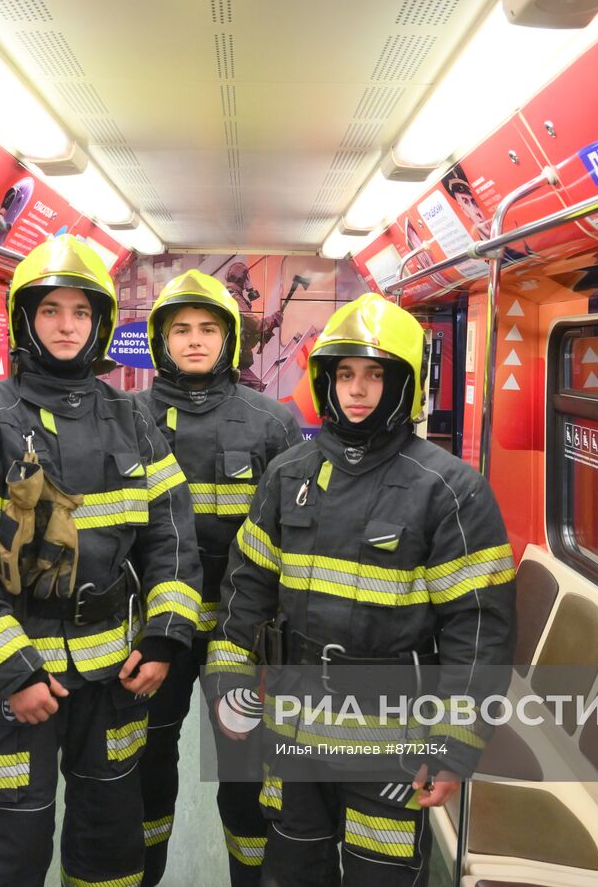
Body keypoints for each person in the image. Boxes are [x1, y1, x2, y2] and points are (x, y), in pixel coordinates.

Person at [206, 292, 516, 885]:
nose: (357, 389)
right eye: (344, 374)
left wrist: (456, 745)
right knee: (292, 870)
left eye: (376, 374)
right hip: (292, 724)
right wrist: (228, 684)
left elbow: (478, 632)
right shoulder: (287, 475)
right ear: (325, 381)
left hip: (393, 736)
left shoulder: (450, 490)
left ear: (405, 383)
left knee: (384, 876)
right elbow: (245, 592)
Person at [0, 235, 202, 887]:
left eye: (80, 311)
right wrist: (12, 673)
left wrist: (164, 637)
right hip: (16, 684)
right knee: (12, 845)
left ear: (100, 322)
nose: (67, 325)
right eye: (51, 310)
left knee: (110, 839)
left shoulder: (133, 419)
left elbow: (174, 536)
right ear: (27, 319)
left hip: (114, 675)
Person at [134, 270, 303, 886]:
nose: (195, 341)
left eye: (209, 329)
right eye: (181, 329)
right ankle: (148, 871)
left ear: (230, 339)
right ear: (161, 340)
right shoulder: (128, 417)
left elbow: (291, 537)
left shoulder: (271, 421)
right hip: (155, 635)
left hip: (246, 635)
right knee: (147, 762)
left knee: (245, 769)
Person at [224, 261, 283, 390]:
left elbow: (244, 328)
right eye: (247, 277)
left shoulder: (228, 295)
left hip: (231, 359)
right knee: (260, 389)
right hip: (233, 362)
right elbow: (256, 325)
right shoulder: (234, 297)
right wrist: (273, 319)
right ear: (243, 278)